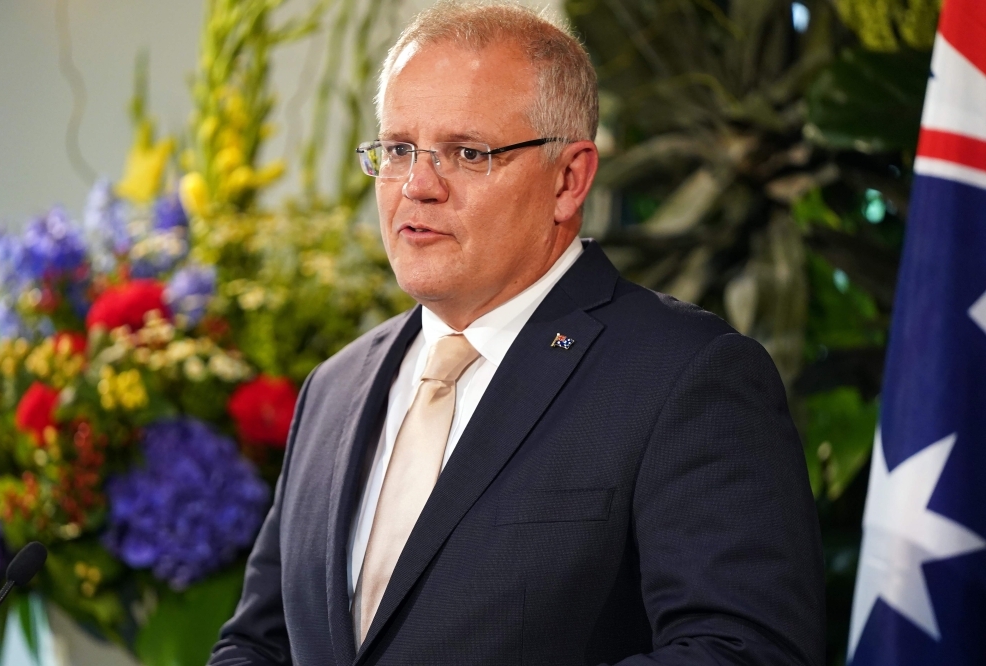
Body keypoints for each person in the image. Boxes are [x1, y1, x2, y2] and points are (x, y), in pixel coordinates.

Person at [208, 2, 824, 665]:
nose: (416, 186)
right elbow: (257, 644)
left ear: (569, 179)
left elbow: (742, 651)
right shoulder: (335, 387)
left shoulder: (686, 377)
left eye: (466, 153)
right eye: (397, 149)